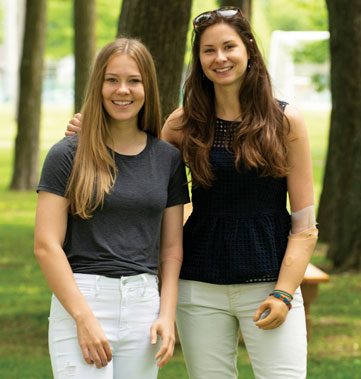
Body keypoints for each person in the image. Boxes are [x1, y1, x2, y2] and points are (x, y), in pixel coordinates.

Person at [66, 7, 318, 379]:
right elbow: (137, 161)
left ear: (248, 48)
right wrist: (92, 133)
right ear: (199, 60)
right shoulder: (183, 124)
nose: (220, 58)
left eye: (229, 46)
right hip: (198, 289)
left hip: (269, 283)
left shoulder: (284, 122)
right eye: (208, 50)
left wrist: (283, 293)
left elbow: (304, 225)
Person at [34, 38, 189, 379]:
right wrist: (83, 317)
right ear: (98, 86)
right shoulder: (66, 155)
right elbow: (46, 246)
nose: (123, 90)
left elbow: (172, 249)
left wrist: (167, 313)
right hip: (82, 297)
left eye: (134, 80)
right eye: (112, 80)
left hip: (144, 305)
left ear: (148, 86)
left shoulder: (167, 159)